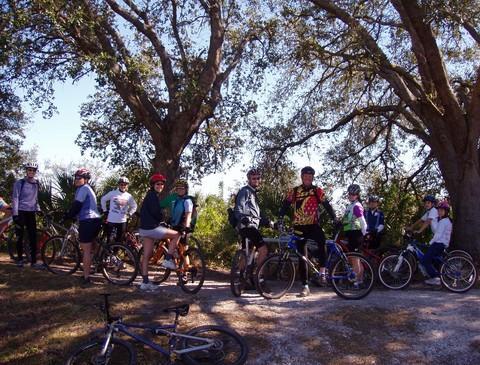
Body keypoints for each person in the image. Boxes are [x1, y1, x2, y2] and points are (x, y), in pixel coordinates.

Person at [278, 166, 337, 297]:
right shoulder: (294, 191)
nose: (308, 179)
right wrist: (280, 217)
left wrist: (334, 218)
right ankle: (305, 286)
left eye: (310, 177)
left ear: (312, 178)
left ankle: (322, 273)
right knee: (301, 257)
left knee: (322, 242)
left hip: (313, 225)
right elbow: (285, 205)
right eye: (305, 177)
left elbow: (327, 205)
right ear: (302, 177)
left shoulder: (317, 191)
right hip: (299, 227)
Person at [138, 173, 181, 291]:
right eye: (158, 184)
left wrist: (160, 220)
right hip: (151, 228)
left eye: (162, 184)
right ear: (153, 185)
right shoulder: (152, 196)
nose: (160, 186)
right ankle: (168, 259)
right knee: (177, 234)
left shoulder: (150, 195)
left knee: (146, 255)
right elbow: (156, 212)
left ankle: (145, 282)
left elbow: (151, 213)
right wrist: (163, 220)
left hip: (144, 229)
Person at [64, 168, 102, 286]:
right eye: (75, 177)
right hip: (95, 219)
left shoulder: (83, 188)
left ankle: (86, 278)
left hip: (88, 220)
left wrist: (68, 215)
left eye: (79, 178)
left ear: (85, 179)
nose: (76, 180)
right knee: (93, 246)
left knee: (86, 250)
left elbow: (77, 205)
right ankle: (98, 265)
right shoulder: (87, 188)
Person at [234, 169, 269, 272]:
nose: (256, 180)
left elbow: (257, 214)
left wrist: (269, 223)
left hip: (248, 226)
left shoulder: (253, 193)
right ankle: (258, 277)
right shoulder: (245, 191)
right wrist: (242, 217)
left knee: (247, 252)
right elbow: (238, 208)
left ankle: (242, 278)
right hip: (248, 226)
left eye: (258, 178)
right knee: (263, 250)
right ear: (249, 179)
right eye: (254, 178)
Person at [11, 162, 43, 269]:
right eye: (29, 170)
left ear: (35, 172)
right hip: (20, 212)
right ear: (26, 171)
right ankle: (20, 260)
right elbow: (15, 198)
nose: (31, 172)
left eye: (33, 170)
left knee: (33, 237)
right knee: (19, 236)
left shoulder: (36, 183)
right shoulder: (20, 183)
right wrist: (15, 214)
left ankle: (33, 262)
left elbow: (36, 199)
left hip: (31, 212)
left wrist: (38, 209)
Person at [341, 184, 367, 287]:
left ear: (357, 195)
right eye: (350, 193)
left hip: (356, 234)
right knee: (353, 258)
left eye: (354, 194)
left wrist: (363, 235)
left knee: (355, 259)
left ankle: (357, 280)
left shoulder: (356, 206)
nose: (351, 195)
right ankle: (359, 280)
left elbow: (363, 222)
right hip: (350, 234)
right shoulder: (350, 205)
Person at [421, 201, 452, 286]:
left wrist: (430, 243)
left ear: (446, 212)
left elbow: (438, 235)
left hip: (438, 244)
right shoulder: (446, 220)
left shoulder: (443, 221)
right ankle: (440, 276)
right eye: (438, 210)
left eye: (442, 210)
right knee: (435, 260)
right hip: (441, 244)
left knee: (424, 260)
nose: (439, 212)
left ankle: (435, 278)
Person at [100, 176, 137, 243]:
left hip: (122, 221)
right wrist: (105, 210)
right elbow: (103, 199)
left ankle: (115, 252)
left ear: (127, 186)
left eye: (125, 185)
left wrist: (130, 213)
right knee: (109, 240)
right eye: (121, 184)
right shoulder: (113, 193)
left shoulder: (129, 196)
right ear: (118, 185)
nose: (123, 186)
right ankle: (107, 253)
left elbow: (134, 206)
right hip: (111, 220)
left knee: (119, 240)